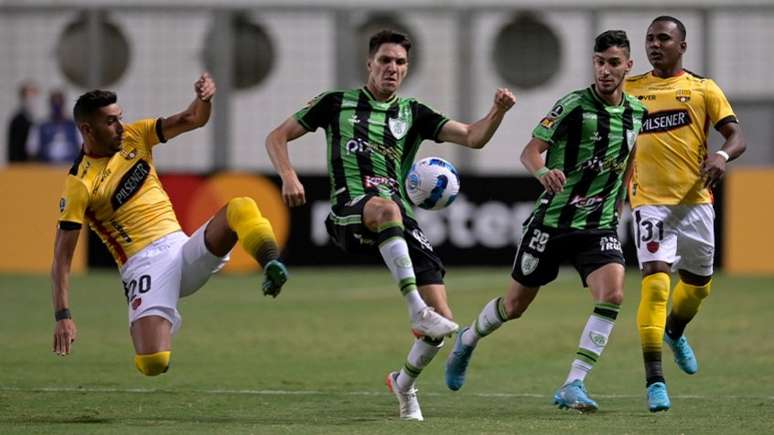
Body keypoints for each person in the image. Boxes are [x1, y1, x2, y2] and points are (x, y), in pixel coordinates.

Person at [265, 29, 516, 421]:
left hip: (398, 217)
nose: (392, 68)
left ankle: (404, 383)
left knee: (442, 320)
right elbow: (277, 137)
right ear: (370, 64)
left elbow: (472, 137)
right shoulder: (337, 104)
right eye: (385, 60)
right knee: (386, 210)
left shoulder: (413, 113)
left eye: (400, 62)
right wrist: (289, 176)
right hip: (350, 211)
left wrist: (498, 110)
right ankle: (414, 308)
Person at [444, 30, 648, 413]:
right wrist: (542, 173)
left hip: (598, 224)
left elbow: (630, 156)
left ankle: (574, 383)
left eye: (614, 63)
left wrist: (621, 198)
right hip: (552, 222)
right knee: (514, 305)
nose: (606, 71)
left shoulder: (637, 112)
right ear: (594, 63)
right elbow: (531, 151)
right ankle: (468, 339)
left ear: (628, 66)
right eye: (600, 62)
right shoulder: (573, 105)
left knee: (614, 294)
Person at [51, 73, 289, 378]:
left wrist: (204, 99)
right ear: (87, 128)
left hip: (180, 248)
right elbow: (61, 259)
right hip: (143, 266)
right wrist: (63, 315)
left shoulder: (136, 136)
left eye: (120, 118)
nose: (120, 126)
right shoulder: (79, 185)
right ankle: (154, 312)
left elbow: (193, 119)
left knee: (241, 206)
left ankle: (271, 264)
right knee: (154, 363)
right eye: (110, 121)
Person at [624, 16, 746, 412]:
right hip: (649, 203)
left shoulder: (702, 89)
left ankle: (676, 332)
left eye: (663, 38)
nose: (654, 45)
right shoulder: (630, 89)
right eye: (650, 39)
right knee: (656, 286)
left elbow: (735, 135)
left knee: (698, 288)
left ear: (683, 45)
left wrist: (722, 155)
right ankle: (654, 381)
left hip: (696, 204)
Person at [27, 89, 82, 163]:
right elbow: (31, 151)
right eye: (54, 102)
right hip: (45, 170)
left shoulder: (74, 126)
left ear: (64, 103)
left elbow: (83, 149)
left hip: (70, 168)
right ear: (50, 103)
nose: (57, 106)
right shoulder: (40, 126)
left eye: (59, 102)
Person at [7, 81, 39, 163]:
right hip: (21, 165)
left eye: (35, 94)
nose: (33, 99)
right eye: (30, 95)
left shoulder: (33, 118)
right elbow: (14, 149)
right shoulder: (17, 120)